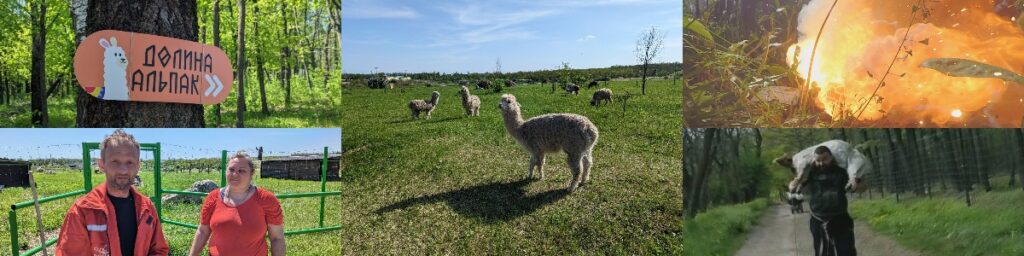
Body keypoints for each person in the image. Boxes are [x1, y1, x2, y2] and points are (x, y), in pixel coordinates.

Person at [56, 129, 169, 256]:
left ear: (138, 166)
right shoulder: (82, 211)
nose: (123, 170)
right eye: (115, 162)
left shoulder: (147, 208)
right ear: (102, 164)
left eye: (130, 162)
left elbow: (158, 249)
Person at [189, 151, 285, 256]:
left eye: (241, 171)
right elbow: (203, 231)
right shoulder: (213, 198)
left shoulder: (266, 199)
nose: (235, 174)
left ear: (251, 174)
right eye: (231, 169)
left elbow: (277, 238)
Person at [799, 145, 866, 256]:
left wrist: (856, 186)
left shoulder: (843, 172)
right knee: (823, 253)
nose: (821, 163)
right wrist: (797, 184)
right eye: (818, 160)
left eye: (824, 159)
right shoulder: (810, 173)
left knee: (847, 252)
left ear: (831, 157)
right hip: (818, 220)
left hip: (841, 218)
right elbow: (800, 186)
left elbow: (863, 187)